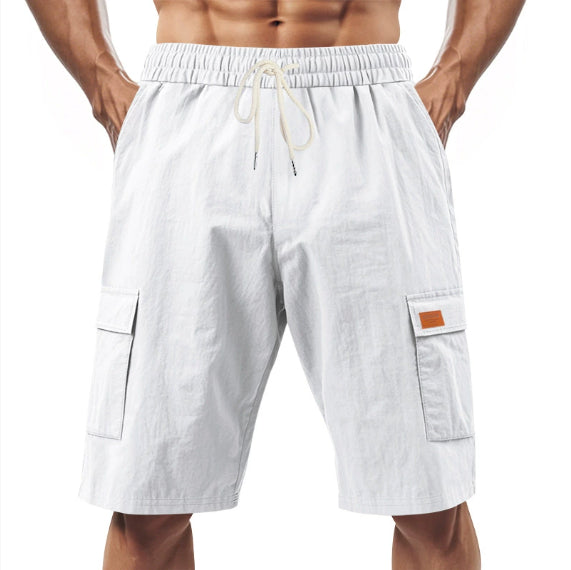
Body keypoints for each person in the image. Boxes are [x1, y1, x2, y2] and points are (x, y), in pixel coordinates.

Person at [26, 1, 525, 568]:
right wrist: (102, 83)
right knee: (147, 501)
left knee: (429, 499)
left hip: (364, 111)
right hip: (190, 113)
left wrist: (454, 78)